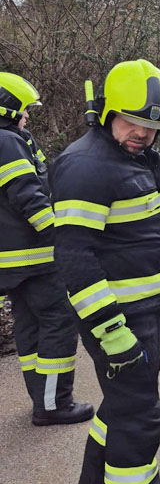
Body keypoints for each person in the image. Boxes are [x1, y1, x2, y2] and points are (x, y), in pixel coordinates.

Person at [50, 59, 160, 484]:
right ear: (107, 111)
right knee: (140, 415)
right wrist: (114, 335)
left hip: (138, 314)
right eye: (133, 121)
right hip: (118, 320)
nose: (143, 133)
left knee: (121, 405)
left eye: (154, 126)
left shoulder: (130, 158)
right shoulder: (86, 165)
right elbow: (73, 257)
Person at [0, 72, 93, 426]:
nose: (28, 116)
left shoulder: (8, 139)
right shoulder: (8, 142)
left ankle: (42, 396)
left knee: (28, 325)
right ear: (8, 109)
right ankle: (54, 404)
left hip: (13, 262)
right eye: (24, 110)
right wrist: (61, 232)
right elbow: (26, 193)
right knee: (57, 322)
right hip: (35, 256)